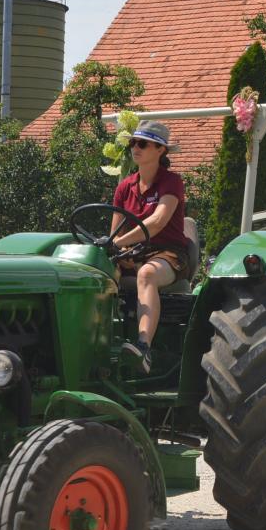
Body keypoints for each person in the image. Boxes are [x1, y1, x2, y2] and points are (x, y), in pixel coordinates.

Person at [109, 120, 191, 374]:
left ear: (160, 150)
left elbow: (157, 222)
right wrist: (116, 251)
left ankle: (143, 348)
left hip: (168, 253)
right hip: (132, 252)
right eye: (134, 142)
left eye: (143, 144)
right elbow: (114, 233)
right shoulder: (125, 187)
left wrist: (119, 243)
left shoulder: (171, 182)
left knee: (146, 274)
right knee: (97, 272)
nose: (136, 148)